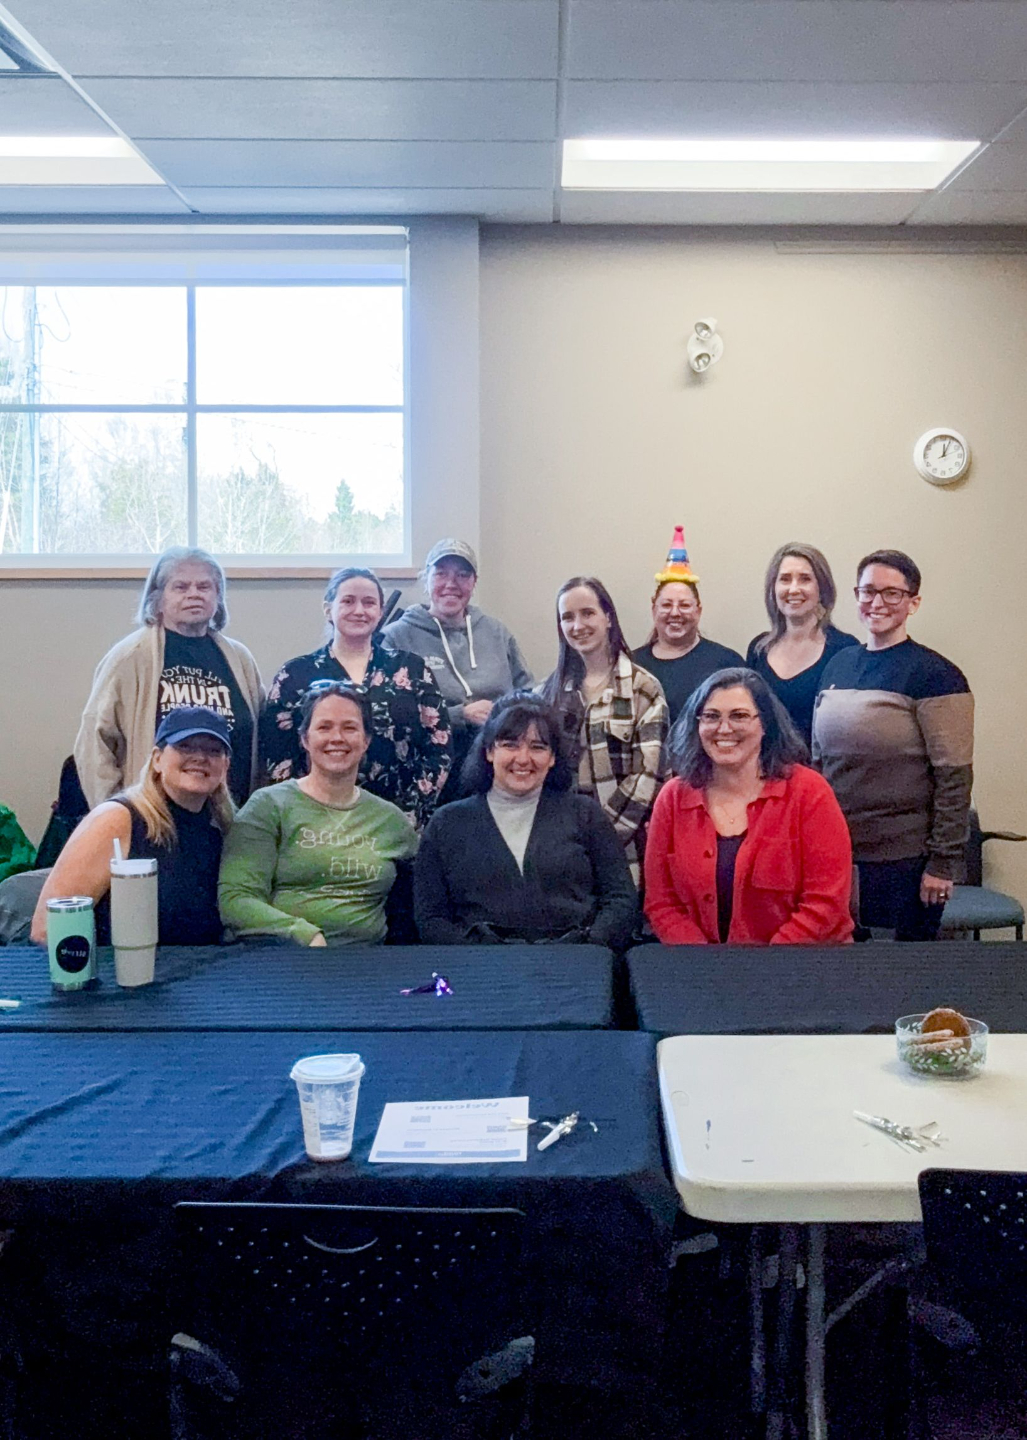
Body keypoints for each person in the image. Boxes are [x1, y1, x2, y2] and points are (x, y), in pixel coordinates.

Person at [813, 549, 973, 941]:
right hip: (837, 854)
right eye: (867, 591)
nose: (876, 602)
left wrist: (942, 864)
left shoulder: (937, 676)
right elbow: (818, 761)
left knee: (897, 978)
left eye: (891, 593)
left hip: (905, 861)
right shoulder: (838, 665)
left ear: (913, 602)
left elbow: (954, 778)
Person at [644, 669, 853, 945]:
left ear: (765, 724)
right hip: (700, 968)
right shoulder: (672, 798)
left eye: (739, 716)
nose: (724, 728)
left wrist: (761, 968)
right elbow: (661, 902)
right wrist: (700, 960)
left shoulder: (809, 792)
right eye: (711, 716)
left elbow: (825, 902)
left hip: (803, 964)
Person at [414, 694, 637, 948]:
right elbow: (431, 919)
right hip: (480, 972)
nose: (523, 758)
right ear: (489, 751)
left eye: (537, 747)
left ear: (553, 757)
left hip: (578, 967)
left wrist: (588, 947)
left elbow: (621, 900)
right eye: (510, 745)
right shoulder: (447, 824)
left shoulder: (586, 814)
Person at [220, 684, 418, 946]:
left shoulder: (390, 820)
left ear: (366, 740)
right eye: (324, 727)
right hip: (281, 959)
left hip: (369, 964)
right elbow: (236, 900)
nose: (337, 737)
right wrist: (302, 933)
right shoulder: (267, 806)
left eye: (349, 728)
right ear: (305, 739)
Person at [260, 567, 452, 829]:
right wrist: (303, 815)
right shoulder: (295, 675)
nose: (359, 610)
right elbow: (277, 754)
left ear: (381, 611)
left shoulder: (412, 669)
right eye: (348, 601)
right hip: (314, 824)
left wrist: (410, 812)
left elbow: (439, 747)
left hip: (398, 821)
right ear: (328, 609)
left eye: (369, 602)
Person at [75, 547, 263, 808]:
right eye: (181, 587)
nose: (194, 594)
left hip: (230, 816)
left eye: (204, 586)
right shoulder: (130, 657)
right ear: (157, 598)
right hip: (153, 817)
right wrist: (115, 813)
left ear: (218, 597)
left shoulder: (240, 660)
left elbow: (260, 736)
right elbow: (95, 744)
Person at [32, 706, 233, 947]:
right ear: (157, 759)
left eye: (213, 750)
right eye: (185, 746)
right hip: (116, 974)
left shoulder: (225, 828)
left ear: (225, 766)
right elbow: (46, 929)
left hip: (202, 975)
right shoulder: (116, 820)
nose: (200, 757)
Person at [540, 576, 669, 884]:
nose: (577, 625)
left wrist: (599, 838)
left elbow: (649, 775)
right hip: (558, 846)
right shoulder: (548, 693)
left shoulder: (644, 688)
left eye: (587, 613)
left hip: (624, 848)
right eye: (567, 617)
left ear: (608, 617)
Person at [382, 539, 533, 789]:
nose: (451, 584)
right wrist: (458, 715)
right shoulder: (397, 637)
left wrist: (501, 716)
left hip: (500, 759)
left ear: (474, 583)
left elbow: (527, 693)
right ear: (426, 579)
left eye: (463, 575)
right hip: (431, 762)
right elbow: (388, 712)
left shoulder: (496, 632)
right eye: (441, 574)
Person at [745, 543, 857, 746]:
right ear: (773, 588)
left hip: (820, 774)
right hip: (763, 772)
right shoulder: (758, 649)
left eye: (805, 579)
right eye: (785, 579)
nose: (793, 589)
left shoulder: (845, 649)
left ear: (822, 589)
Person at [631, 526, 743, 723]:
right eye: (666, 605)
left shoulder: (727, 663)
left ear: (698, 611)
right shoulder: (632, 666)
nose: (675, 613)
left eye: (684, 605)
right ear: (653, 609)